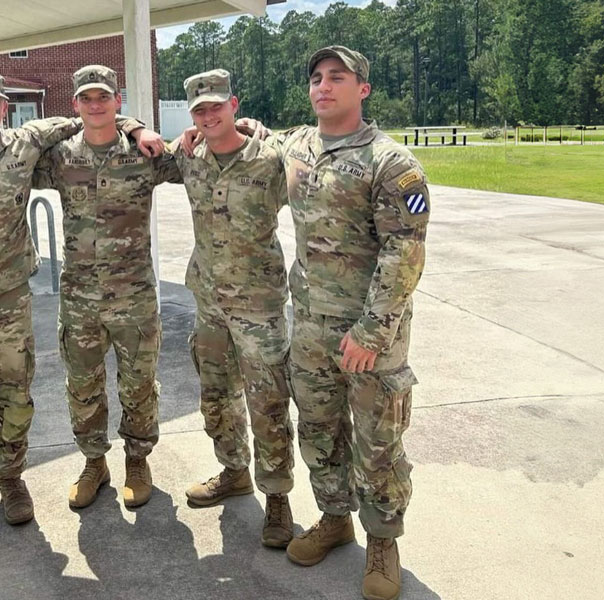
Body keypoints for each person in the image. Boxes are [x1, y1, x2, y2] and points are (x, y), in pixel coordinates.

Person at [0, 71, 159, 558]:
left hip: (7, 305)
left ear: (4, 105)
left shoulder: (25, 144)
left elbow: (94, 117)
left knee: (13, 402)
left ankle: (11, 482)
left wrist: (138, 126)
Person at [269, 46, 429, 600]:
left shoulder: (391, 162)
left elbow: (404, 251)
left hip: (367, 337)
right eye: (316, 77)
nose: (323, 86)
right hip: (310, 328)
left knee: (377, 442)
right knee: (317, 430)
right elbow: (244, 130)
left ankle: (383, 539)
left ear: (363, 88)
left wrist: (371, 332)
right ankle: (335, 518)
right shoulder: (297, 145)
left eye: (337, 77)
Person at [32, 65, 181, 510]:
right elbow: (13, 148)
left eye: (103, 97)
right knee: (83, 384)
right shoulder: (59, 157)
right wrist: (128, 123)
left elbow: (198, 154)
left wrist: (138, 130)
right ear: (76, 105)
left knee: (138, 383)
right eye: (86, 99)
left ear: (118, 99)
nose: (95, 105)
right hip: (79, 298)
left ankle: (137, 459)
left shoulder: (146, 153)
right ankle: (94, 462)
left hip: (133, 295)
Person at [169, 69, 295, 548]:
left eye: (215, 106)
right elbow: (132, 145)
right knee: (216, 396)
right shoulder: (188, 157)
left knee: (268, 404)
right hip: (209, 303)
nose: (208, 115)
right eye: (199, 109)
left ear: (234, 105)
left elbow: (312, 147)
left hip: (258, 306)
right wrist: (143, 130)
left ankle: (278, 497)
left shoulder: (269, 158)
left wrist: (269, 129)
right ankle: (234, 470)